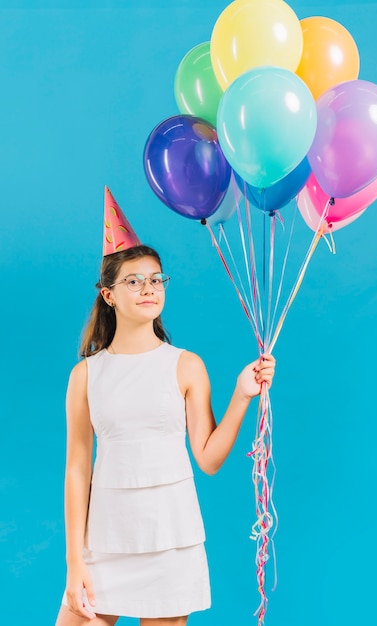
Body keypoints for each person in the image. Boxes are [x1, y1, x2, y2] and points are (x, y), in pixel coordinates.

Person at [55, 188, 276, 626]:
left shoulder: (186, 366)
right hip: (105, 540)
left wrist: (241, 396)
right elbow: (78, 470)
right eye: (133, 281)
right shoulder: (85, 375)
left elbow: (209, 459)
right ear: (108, 295)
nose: (148, 288)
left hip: (170, 537)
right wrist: (75, 563)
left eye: (156, 279)